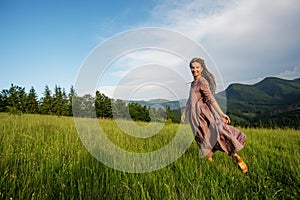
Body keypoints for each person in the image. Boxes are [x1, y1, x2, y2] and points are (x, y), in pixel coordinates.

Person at [181, 57, 248, 173]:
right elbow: (190, 100)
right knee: (204, 139)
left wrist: (221, 114)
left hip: (202, 115)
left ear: (201, 69)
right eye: (192, 67)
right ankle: (215, 166)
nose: (194, 69)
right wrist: (184, 112)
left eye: (197, 67)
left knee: (209, 138)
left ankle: (234, 156)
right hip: (194, 117)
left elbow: (210, 99)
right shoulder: (193, 84)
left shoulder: (202, 82)